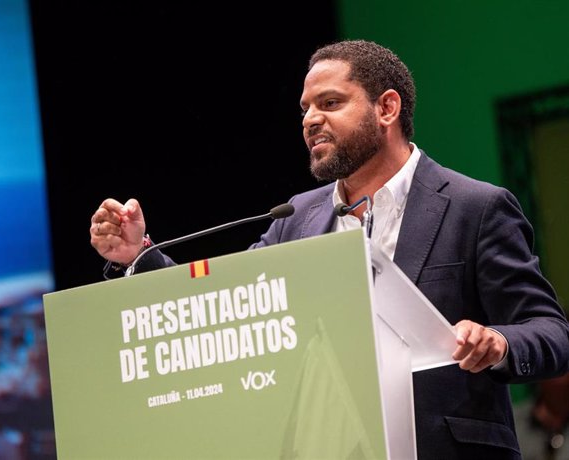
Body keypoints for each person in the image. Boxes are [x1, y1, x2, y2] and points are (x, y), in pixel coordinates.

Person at [89, 39, 569, 459]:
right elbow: (225, 309)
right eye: (305, 109)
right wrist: (140, 255)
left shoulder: (474, 207)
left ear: (387, 108)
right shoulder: (295, 219)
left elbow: (551, 333)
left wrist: (499, 342)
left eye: (330, 103)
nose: (310, 120)